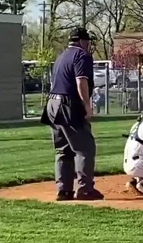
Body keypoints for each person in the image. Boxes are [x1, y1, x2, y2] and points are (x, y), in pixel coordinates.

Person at [40, 28, 104, 201]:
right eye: (88, 41)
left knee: (62, 149)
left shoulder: (61, 56)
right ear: (82, 41)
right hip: (69, 103)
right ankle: (85, 189)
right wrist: (86, 104)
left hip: (52, 103)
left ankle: (64, 190)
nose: (89, 45)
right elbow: (80, 80)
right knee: (84, 148)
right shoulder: (81, 56)